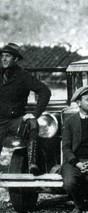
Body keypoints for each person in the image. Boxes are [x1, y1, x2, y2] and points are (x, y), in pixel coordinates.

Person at [0, 43, 51, 175]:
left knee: (32, 123)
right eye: (3, 56)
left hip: (15, 121)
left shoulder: (23, 76)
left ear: (15, 59)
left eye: (8, 56)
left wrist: (35, 114)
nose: (4, 59)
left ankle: (32, 163)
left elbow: (45, 91)